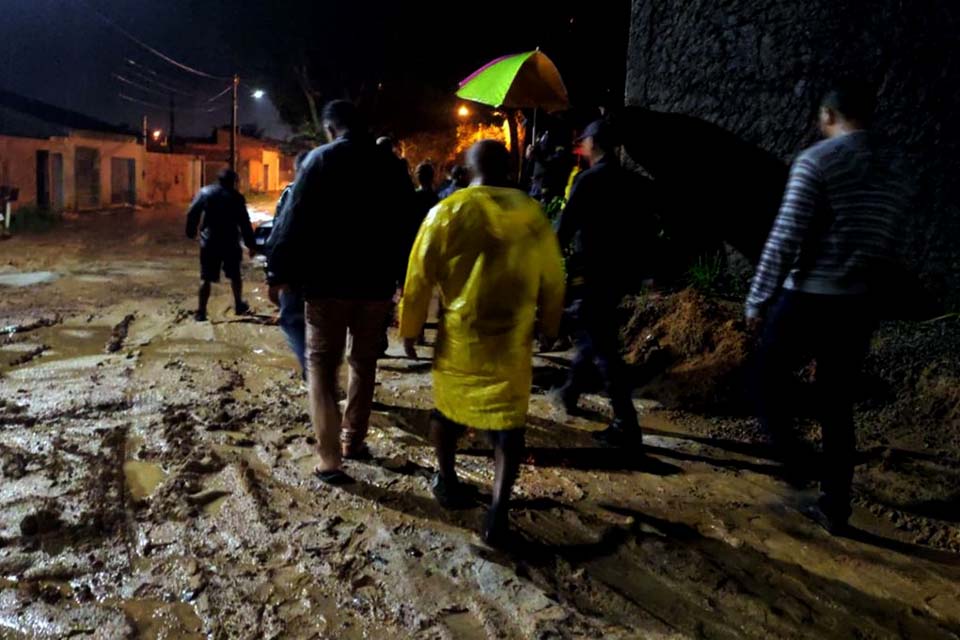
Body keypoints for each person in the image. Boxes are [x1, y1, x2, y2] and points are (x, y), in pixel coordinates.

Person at [746, 81, 911, 534]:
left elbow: (786, 236)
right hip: (860, 302)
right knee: (836, 402)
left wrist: (758, 297)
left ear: (827, 116)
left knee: (763, 379)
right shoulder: (897, 169)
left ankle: (797, 464)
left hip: (811, 294)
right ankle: (834, 503)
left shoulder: (817, 161)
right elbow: (892, 241)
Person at [399, 140, 566, 546]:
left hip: (461, 338)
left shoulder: (447, 211)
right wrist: (550, 322)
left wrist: (411, 326)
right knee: (509, 427)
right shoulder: (530, 213)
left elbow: (419, 273)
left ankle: (448, 479)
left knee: (447, 411)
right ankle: (498, 512)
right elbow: (553, 272)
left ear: (468, 169)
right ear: (508, 169)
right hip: (511, 339)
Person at [266, 100, 415, 484]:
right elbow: (407, 226)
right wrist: (403, 278)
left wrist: (277, 273)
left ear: (331, 129)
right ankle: (353, 440)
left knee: (320, 364)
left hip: (326, 284)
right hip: (376, 284)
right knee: (364, 363)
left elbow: (291, 219)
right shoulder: (392, 166)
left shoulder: (319, 161)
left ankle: (330, 459)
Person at [552, 119, 655, 446]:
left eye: (584, 140)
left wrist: (546, 258)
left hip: (594, 270)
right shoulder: (633, 182)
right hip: (622, 273)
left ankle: (626, 422)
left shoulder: (588, 181)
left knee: (604, 344)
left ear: (593, 142)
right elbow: (645, 231)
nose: (581, 145)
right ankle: (570, 391)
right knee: (593, 331)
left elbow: (564, 229)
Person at [185, 168, 256, 322]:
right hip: (230, 242)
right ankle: (238, 305)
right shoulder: (237, 197)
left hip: (210, 242)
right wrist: (251, 244)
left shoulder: (205, 192)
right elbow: (244, 223)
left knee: (206, 277)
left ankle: (201, 312)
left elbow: (192, 212)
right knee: (235, 275)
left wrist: (190, 232)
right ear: (233, 182)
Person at [266, 151, 309, 376]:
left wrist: (273, 274)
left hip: (295, 272)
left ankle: (311, 371)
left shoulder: (291, 194)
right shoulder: (336, 192)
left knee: (292, 319)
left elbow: (278, 233)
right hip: (328, 274)